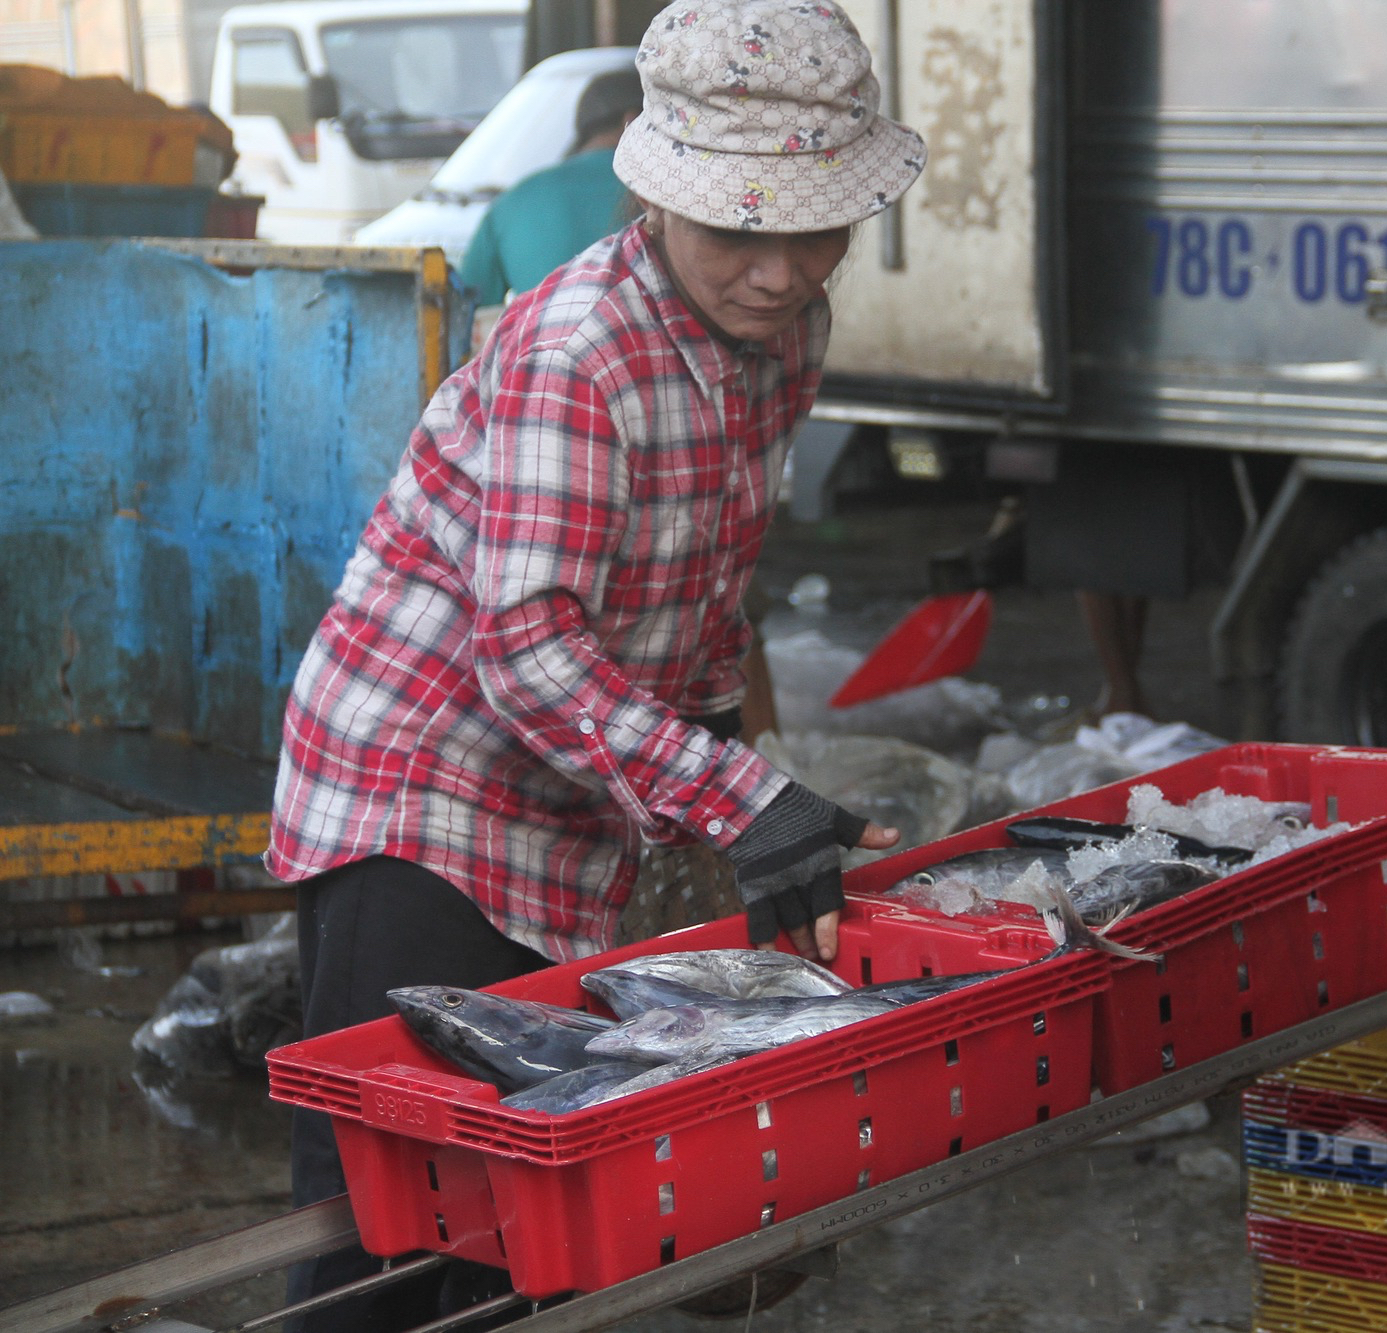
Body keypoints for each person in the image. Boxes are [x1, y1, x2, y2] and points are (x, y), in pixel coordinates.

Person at [265, 2, 925, 1325]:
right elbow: (526, 651)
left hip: (568, 798)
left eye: (815, 229)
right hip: (416, 790)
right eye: (744, 230)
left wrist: (729, 768)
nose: (783, 272)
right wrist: (741, 800)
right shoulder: (582, 354)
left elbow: (702, 567)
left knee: (519, 1211)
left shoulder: (786, 331)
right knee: (389, 1220)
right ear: (664, 197)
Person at [455, 66, 645, 308]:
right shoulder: (661, 192)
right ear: (631, 119)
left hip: (542, 343)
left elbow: (467, 313)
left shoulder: (514, 200)